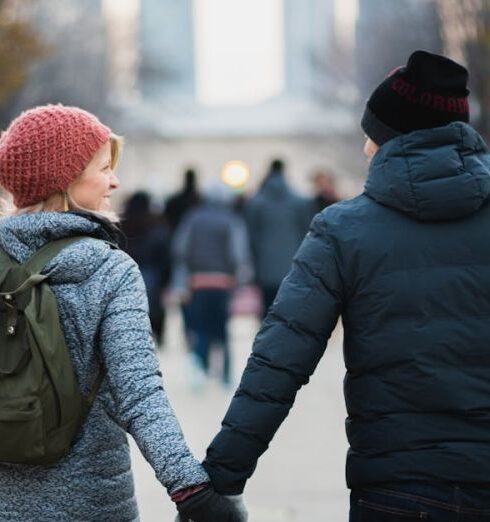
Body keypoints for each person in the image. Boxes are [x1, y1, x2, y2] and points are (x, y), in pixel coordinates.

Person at [202, 50, 490, 520]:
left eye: (371, 135)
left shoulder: (344, 229)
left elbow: (279, 361)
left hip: (399, 484)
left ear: (392, 139)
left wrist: (220, 481)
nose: (364, 149)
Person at [0, 104, 246, 522]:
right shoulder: (108, 268)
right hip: (93, 502)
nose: (114, 181)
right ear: (65, 178)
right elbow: (139, 394)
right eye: (102, 168)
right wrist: (191, 488)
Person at [172, 182, 252, 390]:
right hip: (223, 284)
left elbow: (181, 249)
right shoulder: (231, 220)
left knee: (200, 329)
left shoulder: (193, 218)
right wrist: (240, 281)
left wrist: (182, 281)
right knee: (222, 331)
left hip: (197, 282)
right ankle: (225, 376)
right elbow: (238, 254)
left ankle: (200, 370)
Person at [244, 158, 310, 317]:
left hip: (264, 266)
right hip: (291, 266)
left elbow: (251, 236)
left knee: (267, 313)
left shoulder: (256, 203)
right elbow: (306, 233)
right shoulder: (298, 202)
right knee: (288, 312)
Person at [121, 191, 170, 346]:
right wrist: (165, 281)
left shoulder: (121, 226)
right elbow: (165, 257)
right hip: (152, 281)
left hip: (125, 281)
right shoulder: (157, 227)